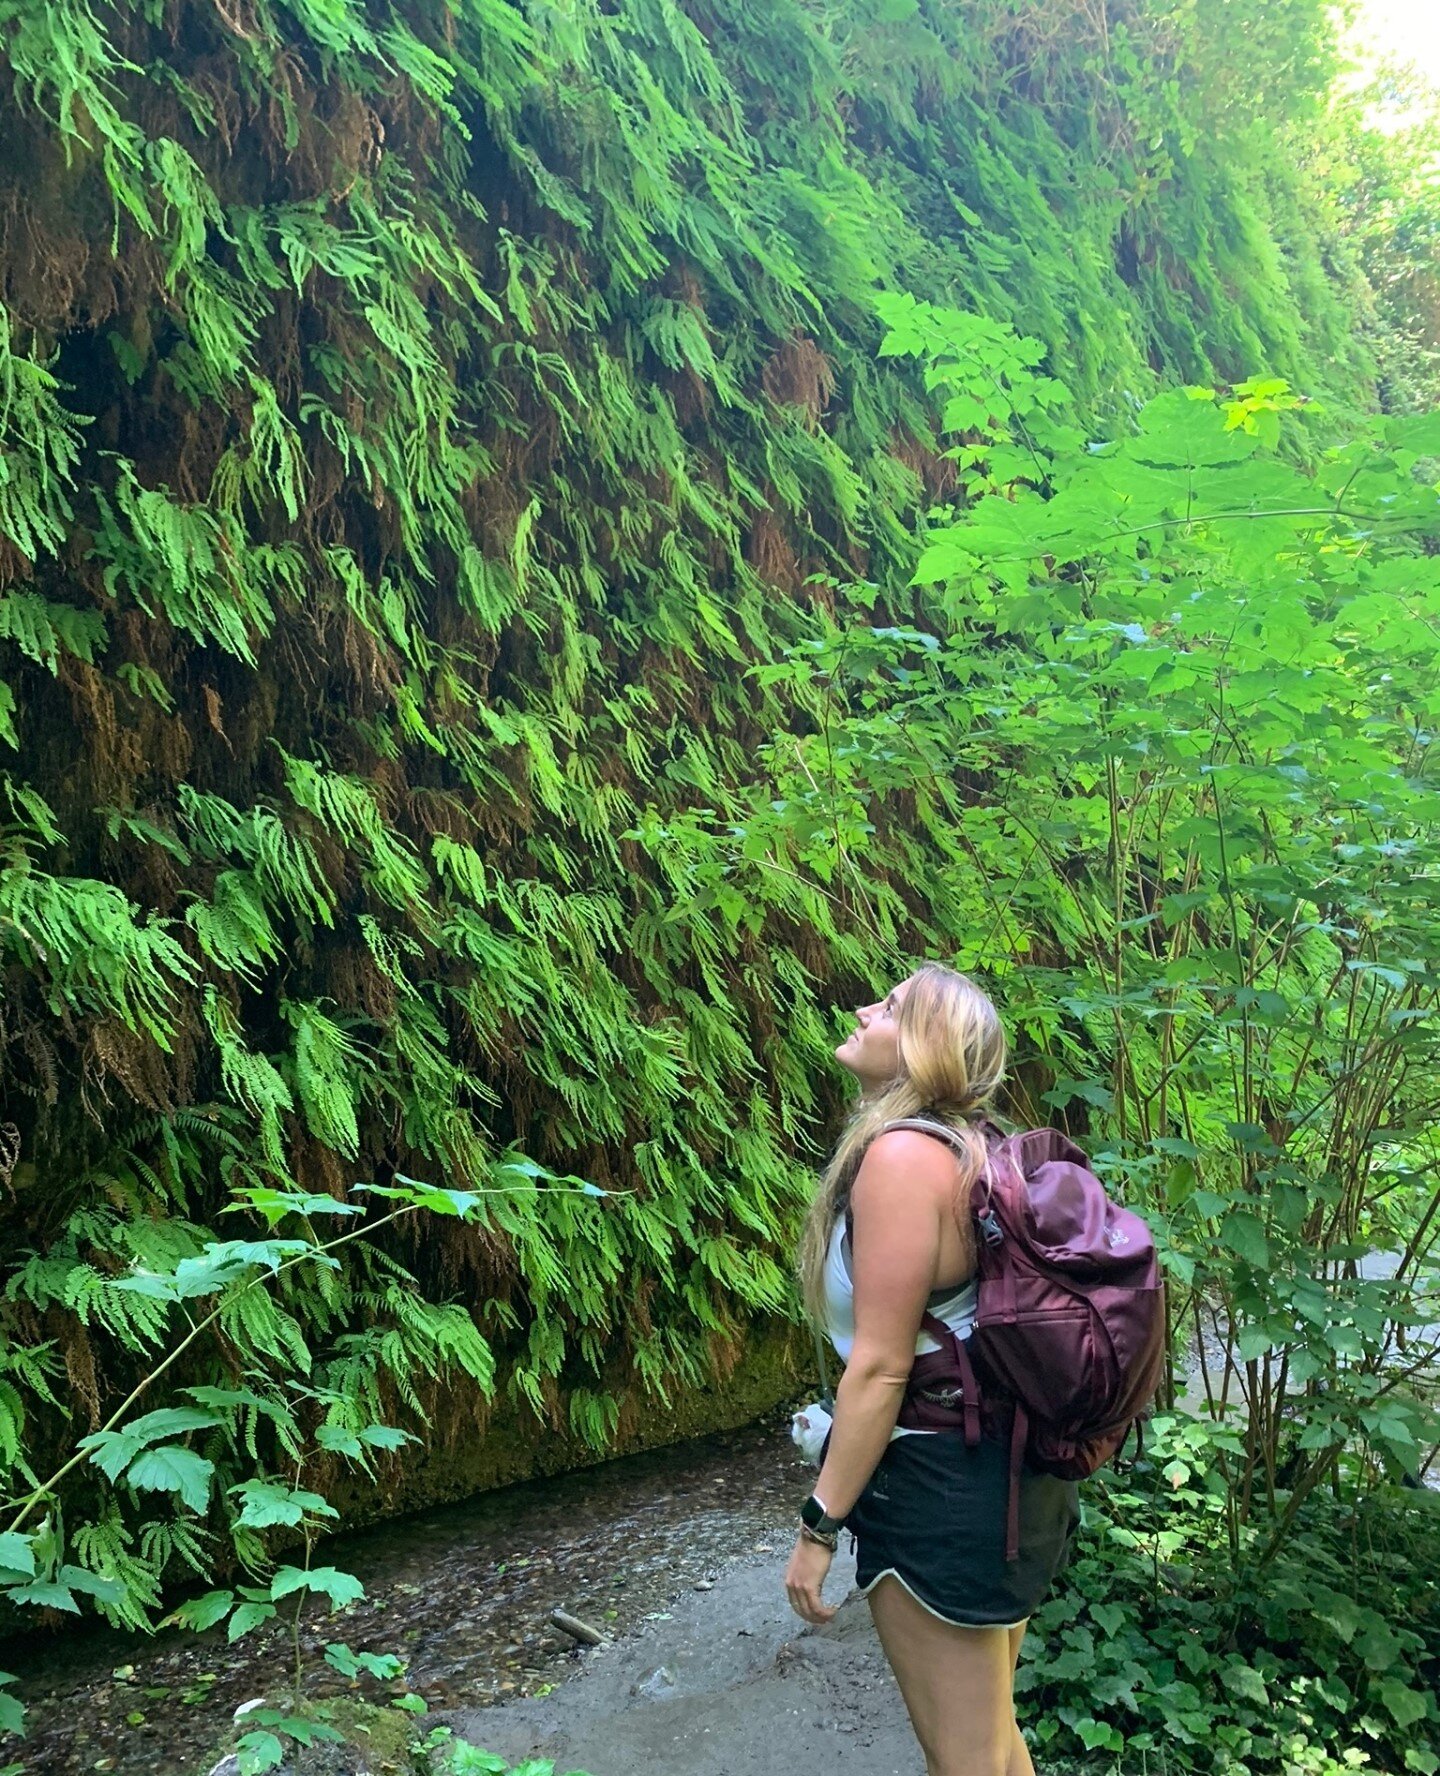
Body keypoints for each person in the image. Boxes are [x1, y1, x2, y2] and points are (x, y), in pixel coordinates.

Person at [784, 963, 1079, 1776]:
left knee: (967, 1763)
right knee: (990, 1747)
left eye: (890, 1007)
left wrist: (818, 1526)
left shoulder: (904, 1158)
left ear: (926, 1047)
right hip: (1006, 1484)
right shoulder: (974, 1149)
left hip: (942, 1494)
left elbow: (879, 1370)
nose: (861, 1009)